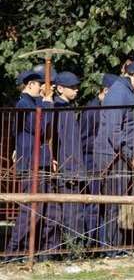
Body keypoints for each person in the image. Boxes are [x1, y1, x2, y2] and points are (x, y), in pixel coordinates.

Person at [93, 54, 134, 249]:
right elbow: (114, 131)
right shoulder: (119, 92)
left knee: (116, 204)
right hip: (112, 157)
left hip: (120, 156)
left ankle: (113, 246)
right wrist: (132, 158)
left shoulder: (128, 91)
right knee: (112, 204)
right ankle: (109, 249)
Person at [6, 70, 53, 254]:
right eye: (39, 84)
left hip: (37, 162)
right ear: (30, 84)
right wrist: (47, 104)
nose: (42, 88)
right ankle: (12, 251)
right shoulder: (24, 103)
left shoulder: (31, 102)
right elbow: (38, 129)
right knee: (29, 211)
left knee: (41, 210)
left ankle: (29, 251)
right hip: (31, 164)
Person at [47, 72, 86, 250]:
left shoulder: (67, 107)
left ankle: (71, 247)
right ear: (60, 88)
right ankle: (72, 248)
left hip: (72, 165)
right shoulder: (59, 109)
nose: (77, 90)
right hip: (67, 166)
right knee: (71, 212)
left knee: (74, 210)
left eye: (77, 86)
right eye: (73, 87)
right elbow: (60, 140)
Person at [81, 73, 117, 245]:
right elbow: (83, 139)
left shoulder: (103, 108)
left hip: (102, 160)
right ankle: (90, 242)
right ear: (105, 90)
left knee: (102, 204)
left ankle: (100, 242)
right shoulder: (92, 110)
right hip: (91, 161)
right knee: (93, 203)